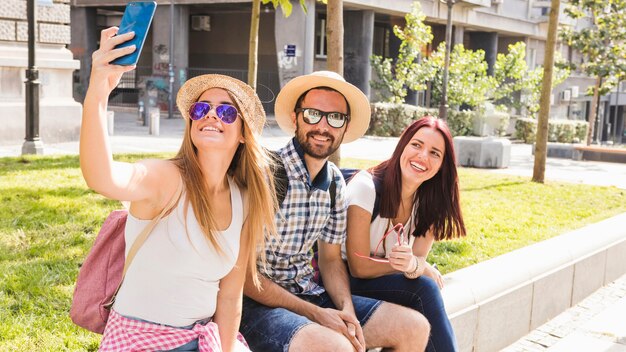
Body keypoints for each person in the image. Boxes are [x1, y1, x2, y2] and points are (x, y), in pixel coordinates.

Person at [79, 27, 276, 352]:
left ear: (243, 133)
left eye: (227, 111)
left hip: (201, 340)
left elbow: (229, 297)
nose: (211, 115)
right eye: (201, 109)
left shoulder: (243, 199)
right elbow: (103, 178)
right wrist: (98, 91)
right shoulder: (165, 177)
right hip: (138, 341)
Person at [239, 71, 431, 352]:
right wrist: (316, 314)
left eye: (335, 118)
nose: (323, 126)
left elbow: (330, 261)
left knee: (414, 328)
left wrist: (347, 310)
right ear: (295, 118)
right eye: (313, 114)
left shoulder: (335, 183)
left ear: (345, 127)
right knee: (337, 347)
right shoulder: (264, 173)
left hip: (310, 294)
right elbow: (245, 278)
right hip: (256, 307)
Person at [344, 116, 467, 352]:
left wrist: (415, 265)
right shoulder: (366, 187)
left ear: (442, 164)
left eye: (434, 153)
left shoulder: (430, 203)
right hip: (342, 280)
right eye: (417, 145)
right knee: (426, 288)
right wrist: (413, 265)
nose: (423, 156)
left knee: (423, 293)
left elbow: (416, 265)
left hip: (379, 283)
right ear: (403, 145)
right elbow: (358, 267)